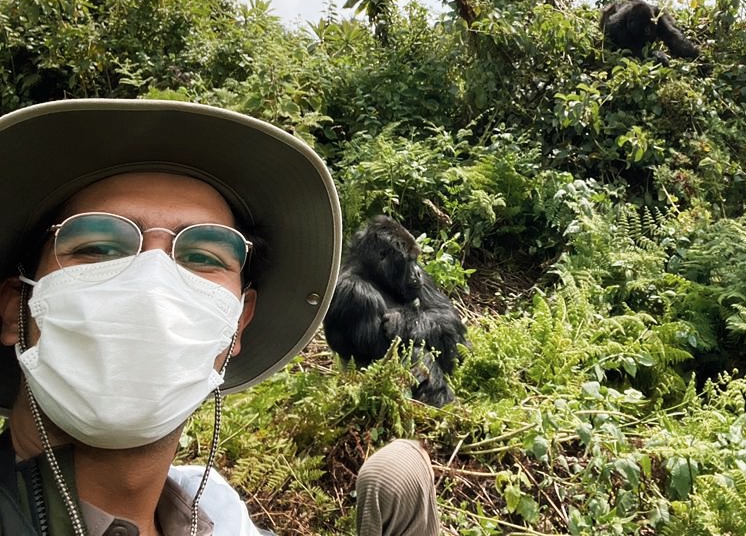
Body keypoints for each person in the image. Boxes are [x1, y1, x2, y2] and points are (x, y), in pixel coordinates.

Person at [0, 99, 439, 536]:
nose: (153, 285)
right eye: (97, 248)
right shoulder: (358, 292)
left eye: (200, 256)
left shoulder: (215, 509)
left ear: (237, 324)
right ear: (14, 306)